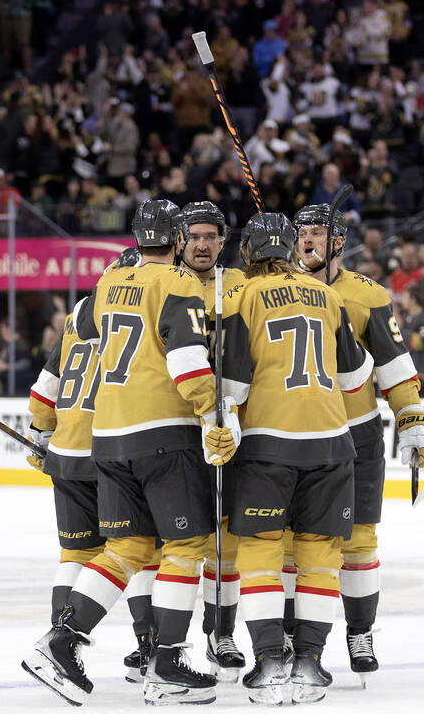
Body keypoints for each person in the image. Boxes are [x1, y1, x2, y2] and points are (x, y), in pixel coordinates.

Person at [22, 200, 231, 706]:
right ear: (179, 240)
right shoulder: (178, 285)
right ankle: (168, 662)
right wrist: (213, 417)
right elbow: (186, 362)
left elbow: (86, 335)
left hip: (107, 437)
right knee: (186, 548)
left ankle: (62, 640)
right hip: (162, 434)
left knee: (126, 550)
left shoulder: (108, 284)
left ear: (137, 239)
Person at [219, 212, 373, 705]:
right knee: (320, 555)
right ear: (289, 250)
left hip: (267, 443)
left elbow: (234, 383)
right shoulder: (328, 296)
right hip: (332, 442)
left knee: (263, 550)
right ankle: (308, 663)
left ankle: (268, 663)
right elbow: (354, 377)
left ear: (247, 253)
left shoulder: (241, 295)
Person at [292, 204, 424, 678]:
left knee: (357, 542)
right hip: (298, 434)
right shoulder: (277, 290)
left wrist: (412, 416)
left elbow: (395, 366)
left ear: (338, 241)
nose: (308, 240)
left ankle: (360, 633)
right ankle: (297, 642)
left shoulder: (368, 296)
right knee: (296, 545)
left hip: (356, 437)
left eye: (318, 232)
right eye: (302, 232)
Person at [25, 248, 159, 685]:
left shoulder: (81, 310)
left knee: (76, 554)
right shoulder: (140, 304)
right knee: (140, 550)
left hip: (66, 449)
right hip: (112, 447)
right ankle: (148, 649)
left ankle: (57, 642)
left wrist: (42, 433)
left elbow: (47, 387)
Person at [177, 201, 247, 681]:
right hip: (173, 430)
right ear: (180, 239)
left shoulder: (240, 283)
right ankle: (157, 644)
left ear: (224, 241)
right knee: (176, 543)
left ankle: (220, 633)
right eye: (194, 236)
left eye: (211, 236)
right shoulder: (163, 282)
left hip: (228, 426)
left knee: (226, 543)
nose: (202, 244)